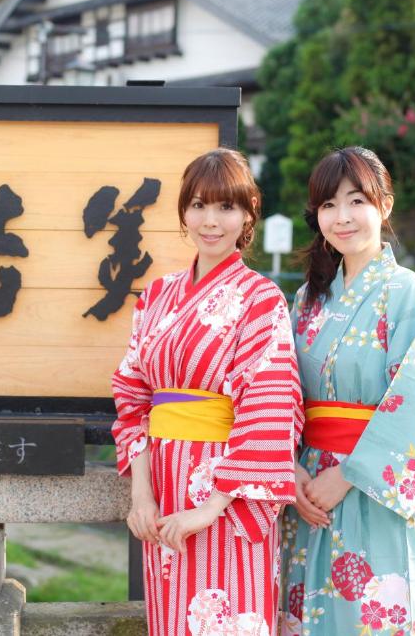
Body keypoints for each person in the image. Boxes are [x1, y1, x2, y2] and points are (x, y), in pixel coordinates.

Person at [112, 148, 304, 636]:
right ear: (183, 213)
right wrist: (142, 495)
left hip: (227, 499)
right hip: (162, 496)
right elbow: (133, 396)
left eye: (226, 207)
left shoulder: (261, 300)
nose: (210, 221)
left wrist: (211, 507)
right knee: (172, 620)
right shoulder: (156, 296)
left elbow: (268, 407)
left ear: (247, 215)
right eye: (198, 205)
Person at [280, 147, 415, 636]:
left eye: (356, 200)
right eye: (328, 205)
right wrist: (292, 469)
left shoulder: (410, 293)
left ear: (384, 205)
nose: (342, 217)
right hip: (310, 496)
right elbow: (279, 392)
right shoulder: (306, 300)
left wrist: (349, 473)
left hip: (375, 494)